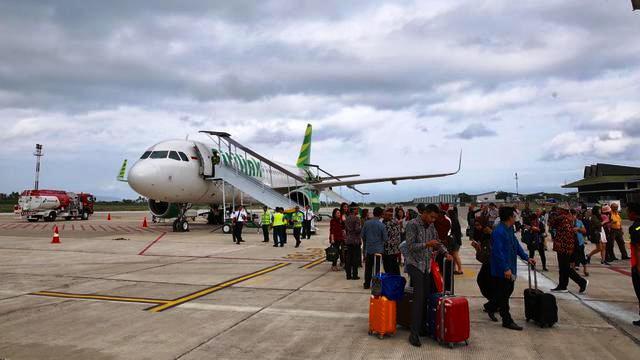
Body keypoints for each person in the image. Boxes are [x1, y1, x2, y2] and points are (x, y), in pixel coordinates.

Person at [404, 204, 451, 347]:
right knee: (418, 299)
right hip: (415, 265)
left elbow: (437, 242)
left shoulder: (431, 226)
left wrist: (446, 253)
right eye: (431, 217)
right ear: (424, 213)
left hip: (426, 267)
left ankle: (423, 328)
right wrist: (426, 244)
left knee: (426, 297)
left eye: (435, 218)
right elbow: (410, 246)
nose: (433, 220)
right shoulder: (412, 224)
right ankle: (414, 334)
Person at [486, 206, 536, 331]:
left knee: (506, 291)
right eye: (514, 216)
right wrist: (505, 268)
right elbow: (498, 253)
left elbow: (516, 245)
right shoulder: (499, 232)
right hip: (502, 269)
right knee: (504, 295)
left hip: (510, 266)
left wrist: (526, 258)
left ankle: (490, 306)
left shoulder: (509, 229)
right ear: (509, 217)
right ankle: (507, 320)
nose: (516, 218)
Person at [550, 207, 588, 294]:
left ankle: (581, 282)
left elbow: (552, 223)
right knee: (563, 268)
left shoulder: (564, 219)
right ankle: (562, 285)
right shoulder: (566, 219)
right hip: (564, 247)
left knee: (565, 268)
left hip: (565, 247)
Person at [471, 214, 493, 311]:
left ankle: (494, 302)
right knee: (483, 280)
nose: (477, 227)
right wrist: (477, 248)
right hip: (487, 262)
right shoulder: (483, 234)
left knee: (484, 281)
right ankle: (493, 301)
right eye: (475, 225)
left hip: (492, 262)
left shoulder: (490, 234)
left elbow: (487, 254)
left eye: (478, 225)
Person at [362, 207, 388, 289]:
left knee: (368, 268)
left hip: (369, 249)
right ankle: (376, 285)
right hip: (378, 250)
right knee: (377, 269)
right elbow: (385, 238)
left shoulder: (366, 223)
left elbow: (362, 235)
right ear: (380, 215)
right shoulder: (382, 225)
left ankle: (366, 284)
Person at [625, 202, 640, 327]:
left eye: (629, 211)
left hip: (637, 264)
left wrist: (638, 266)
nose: (628, 213)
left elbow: (638, 248)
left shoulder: (635, 228)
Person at [344, 205, 362, 280]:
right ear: (354, 210)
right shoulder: (356, 218)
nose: (358, 211)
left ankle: (348, 275)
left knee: (348, 258)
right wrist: (362, 228)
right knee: (355, 258)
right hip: (355, 240)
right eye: (357, 209)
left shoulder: (347, 218)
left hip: (348, 239)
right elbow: (357, 229)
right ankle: (354, 275)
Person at [382, 208, 401, 275]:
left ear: (389, 215)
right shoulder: (396, 221)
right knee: (395, 265)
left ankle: (390, 280)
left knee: (388, 267)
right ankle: (397, 279)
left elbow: (384, 236)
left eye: (384, 215)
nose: (382, 216)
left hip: (387, 249)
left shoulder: (387, 224)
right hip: (395, 249)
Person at [571, 209, 588, 277]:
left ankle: (585, 269)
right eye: (572, 215)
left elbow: (584, 231)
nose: (573, 216)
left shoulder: (579, 222)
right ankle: (572, 271)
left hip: (579, 242)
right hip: (571, 242)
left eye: (574, 215)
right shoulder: (568, 223)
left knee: (582, 256)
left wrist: (578, 229)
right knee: (572, 257)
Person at [448, 207, 464, 275]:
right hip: (457, 240)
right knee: (453, 255)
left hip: (455, 241)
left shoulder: (452, 222)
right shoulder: (455, 220)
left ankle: (460, 269)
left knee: (455, 254)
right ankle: (454, 269)